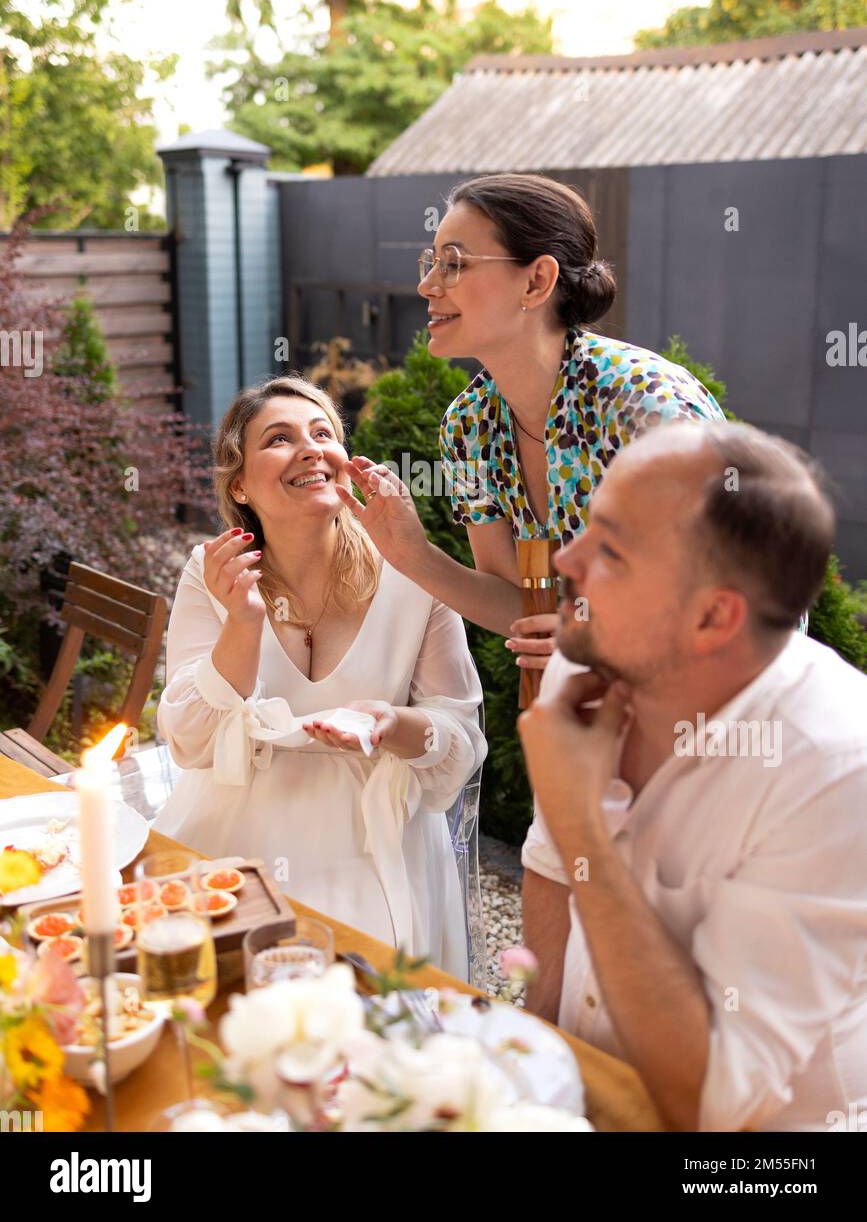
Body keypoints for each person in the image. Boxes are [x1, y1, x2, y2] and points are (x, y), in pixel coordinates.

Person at [518, 420, 867, 1132]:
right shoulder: (587, 658)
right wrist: (532, 1061)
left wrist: (580, 821)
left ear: (712, 617)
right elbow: (551, 869)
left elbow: (713, 1104)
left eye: (609, 549)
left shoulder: (835, 769)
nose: (566, 558)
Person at [153, 375, 486, 979]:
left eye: (323, 433)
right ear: (239, 485)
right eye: (279, 438)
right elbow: (188, 742)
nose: (310, 448)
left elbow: (459, 744)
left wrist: (396, 726)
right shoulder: (211, 572)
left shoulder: (412, 571)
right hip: (238, 835)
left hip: (380, 839)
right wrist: (243, 624)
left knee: (374, 1030)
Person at [337, 172, 724, 680]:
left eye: (454, 264)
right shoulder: (468, 429)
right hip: (602, 730)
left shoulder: (647, 409)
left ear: (537, 281)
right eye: (432, 263)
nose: (427, 284)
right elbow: (519, 604)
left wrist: (599, 644)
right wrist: (412, 555)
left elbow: (728, 601)